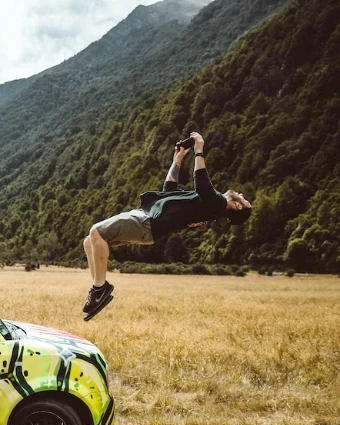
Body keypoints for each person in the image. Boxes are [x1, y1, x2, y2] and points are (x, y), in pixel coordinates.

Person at [82, 131, 252, 320]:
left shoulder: (217, 205)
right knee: (89, 241)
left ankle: (99, 289)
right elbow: (168, 191)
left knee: (96, 231)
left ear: (237, 206)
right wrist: (177, 160)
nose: (242, 195)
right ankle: (98, 289)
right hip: (146, 218)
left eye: (244, 200)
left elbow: (202, 184)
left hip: (147, 223)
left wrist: (199, 150)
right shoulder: (209, 206)